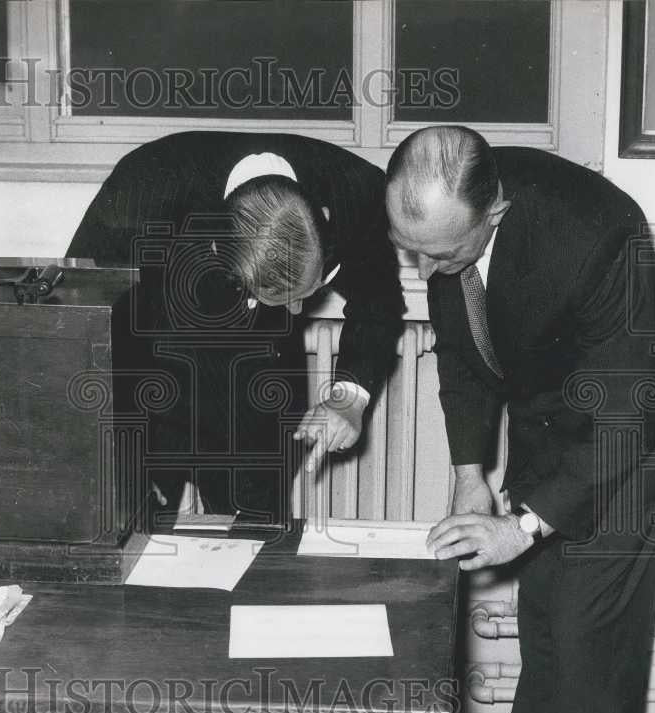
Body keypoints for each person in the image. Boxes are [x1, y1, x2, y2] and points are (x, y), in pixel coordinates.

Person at [385, 126, 655, 713]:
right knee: (546, 615)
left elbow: (621, 420)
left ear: (493, 214)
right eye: (411, 251)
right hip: (549, 394)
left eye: (438, 254)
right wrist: (471, 476)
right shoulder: (448, 226)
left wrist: (523, 525)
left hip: (631, 415)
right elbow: (462, 359)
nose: (424, 271)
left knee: (588, 636)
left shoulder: (598, 236)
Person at [67, 131, 404, 522]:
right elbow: (84, 314)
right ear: (219, 250)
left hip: (259, 396)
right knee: (132, 540)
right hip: (151, 389)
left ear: (324, 219)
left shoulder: (356, 192)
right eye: (281, 298)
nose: (299, 311)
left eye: (308, 292)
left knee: (255, 547)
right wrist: (121, 454)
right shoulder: (143, 189)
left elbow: (377, 300)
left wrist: (350, 397)